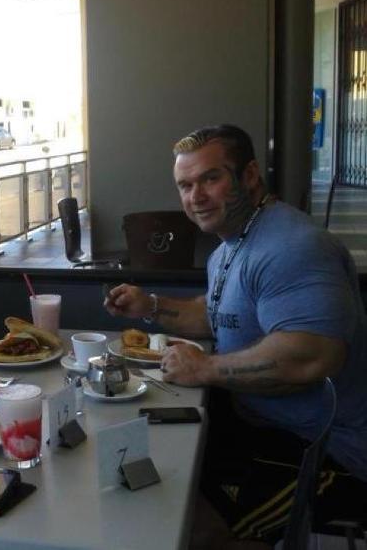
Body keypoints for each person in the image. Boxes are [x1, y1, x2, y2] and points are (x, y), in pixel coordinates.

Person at [104, 124, 367, 549]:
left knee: (184, 525)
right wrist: (149, 305)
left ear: (249, 175)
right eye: (185, 185)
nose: (196, 196)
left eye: (211, 178)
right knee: (143, 470)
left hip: (326, 451)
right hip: (258, 426)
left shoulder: (293, 247)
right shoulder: (230, 247)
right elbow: (220, 317)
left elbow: (312, 356)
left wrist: (205, 368)